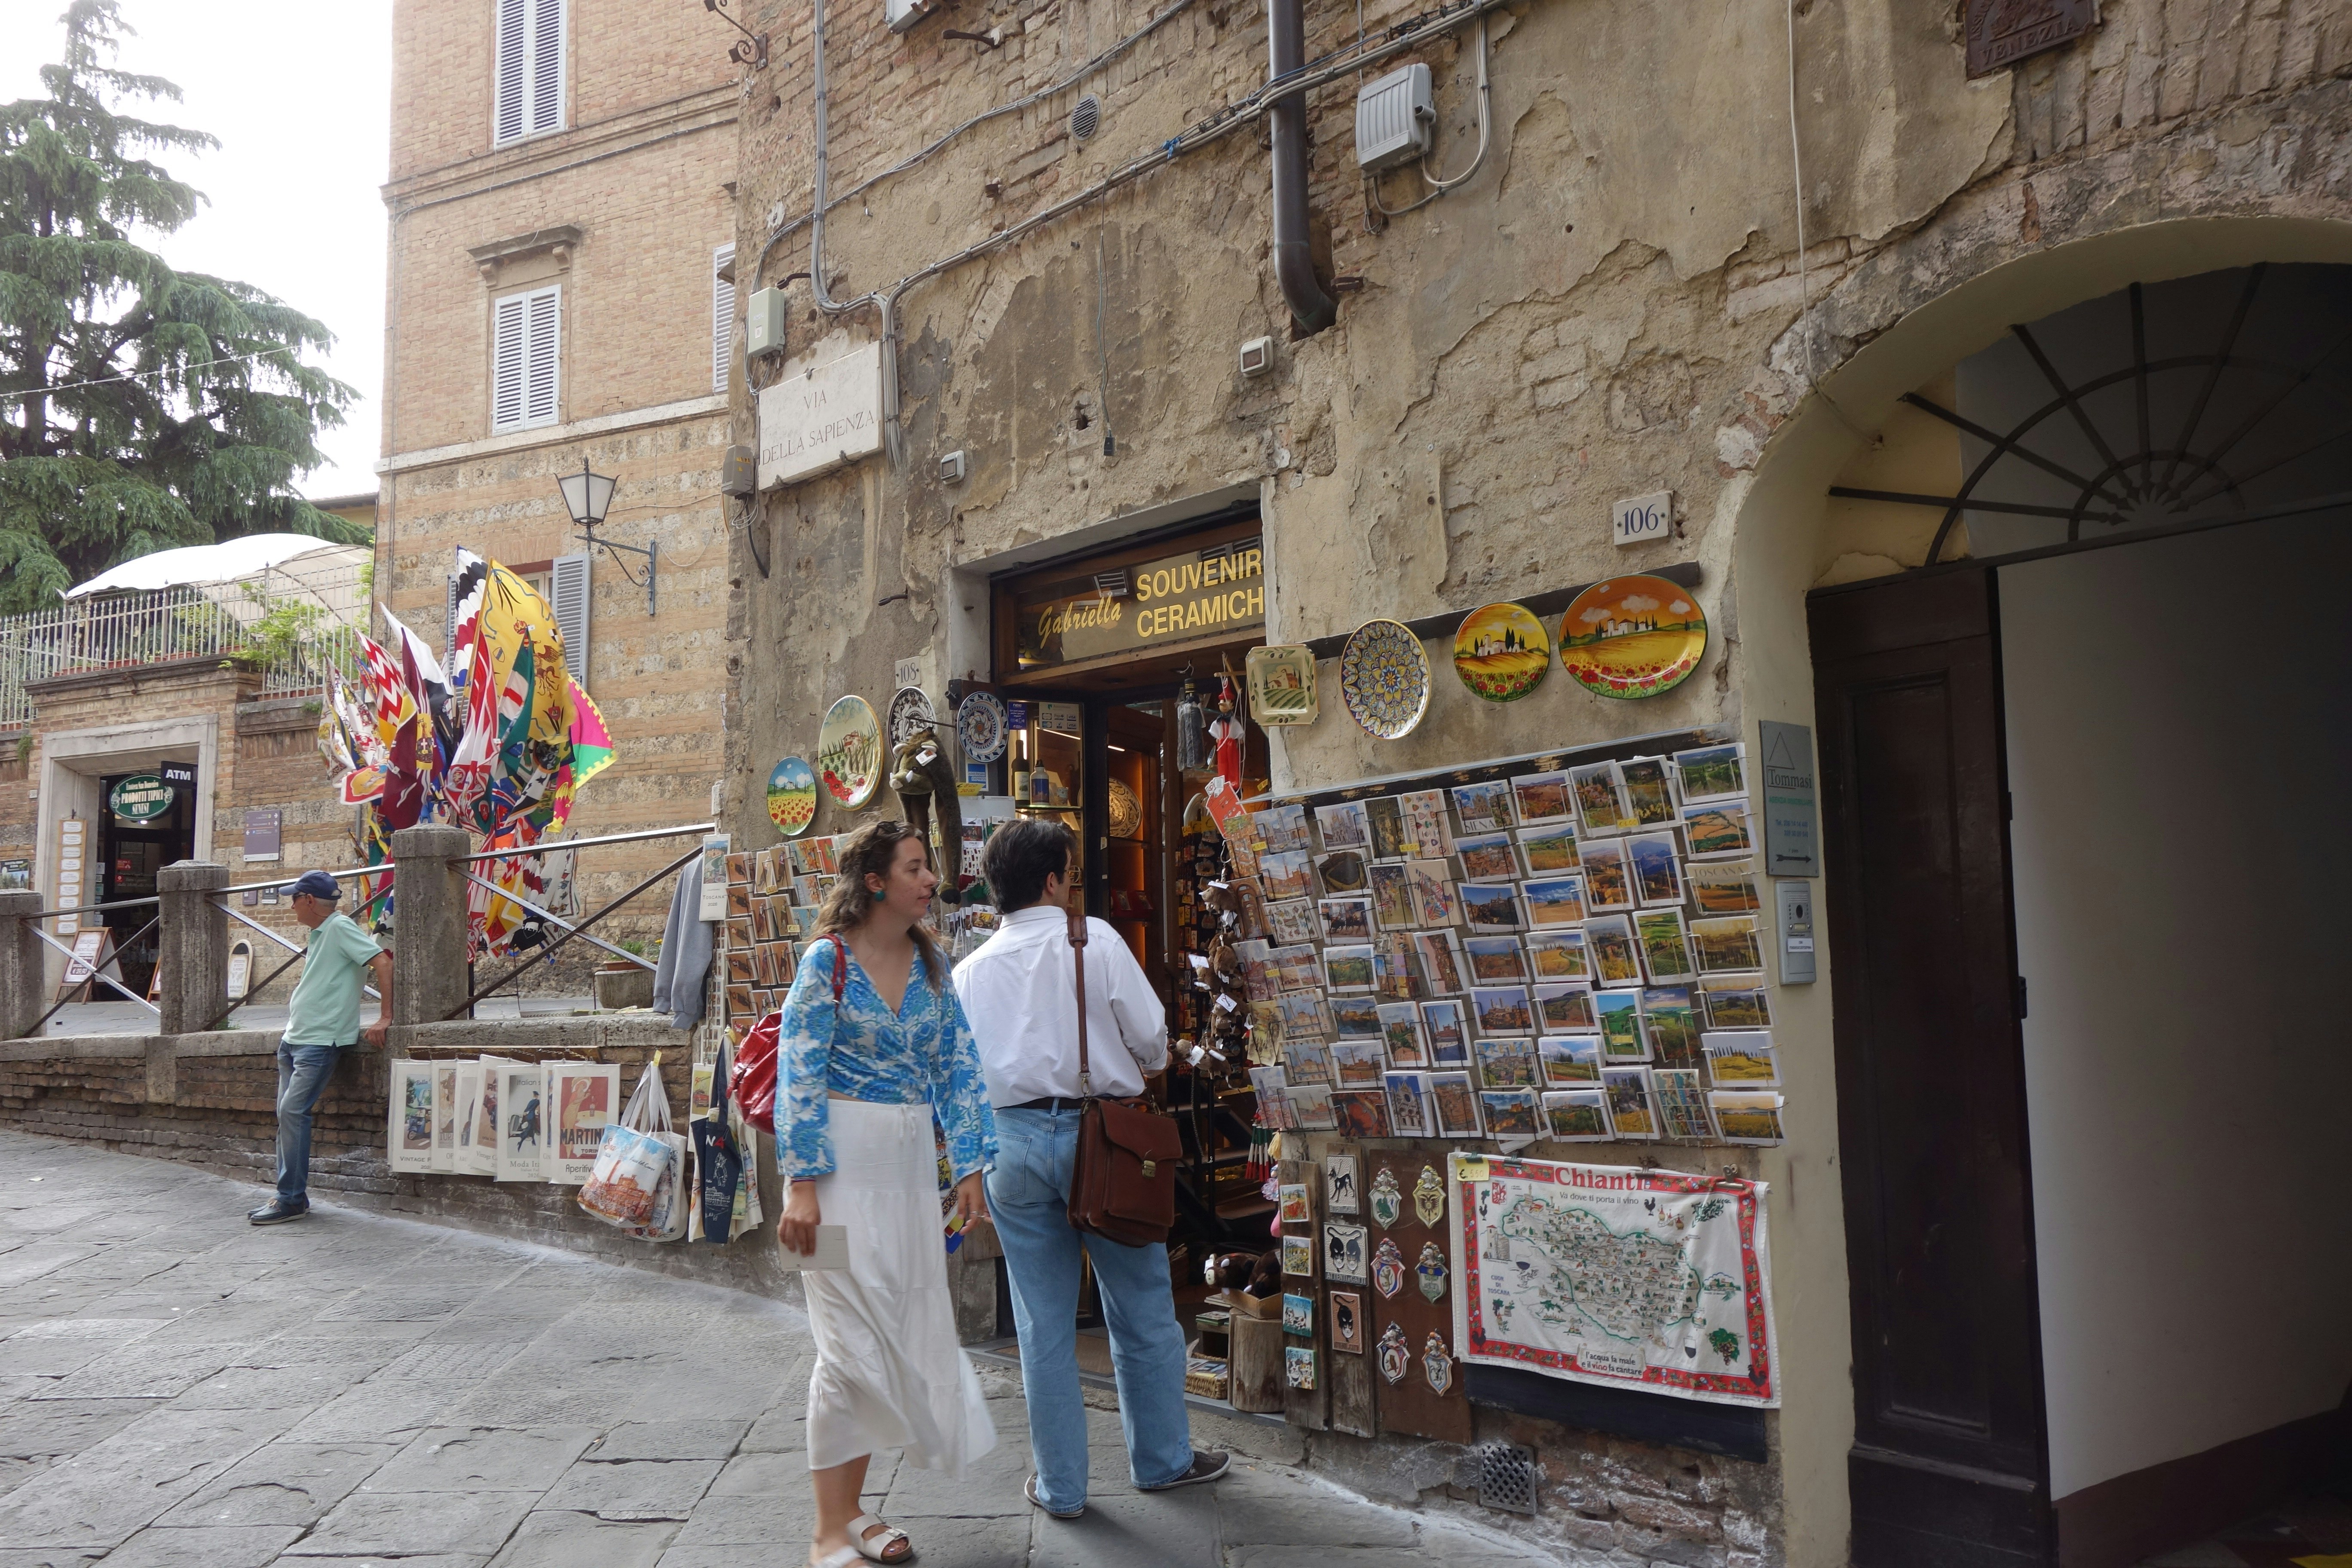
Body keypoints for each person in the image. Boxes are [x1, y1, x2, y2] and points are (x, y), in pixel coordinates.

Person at [951, 818, 1228, 1519]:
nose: (1072, 886)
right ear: (1051, 880)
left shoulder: (968, 971)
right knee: (1140, 1308)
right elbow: (1153, 1041)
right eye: (1069, 873)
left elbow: (955, 1081)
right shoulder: (1094, 940)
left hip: (1008, 1145)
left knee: (1041, 1326)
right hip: (1102, 1140)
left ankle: (1061, 1487)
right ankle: (1161, 1459)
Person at [773, 818, 998, 1568]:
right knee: (847, 1345)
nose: (930, 879)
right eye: (914, 866)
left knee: (892, 1336)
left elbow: (961, 1069)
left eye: (929, 867)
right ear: (875, 881)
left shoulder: (934, 968)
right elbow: (798, 1073)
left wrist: (969, 1169)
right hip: (832, 1179)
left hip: (906, 1179)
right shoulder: (825, 961)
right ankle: (826, 1530)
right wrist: (800, 1184)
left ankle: (852, 1513)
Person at [249, 869, 391, 1225]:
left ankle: (291, 1199)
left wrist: (386, 1017)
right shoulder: (320, 932)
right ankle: (289, 1196)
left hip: (319, 1041)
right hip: (295, 1038)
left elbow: (383, 962)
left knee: (293, 1114)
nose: (291, 906)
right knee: (286, 1117)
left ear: (309, 900)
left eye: (294, 898)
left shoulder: (340, 927)